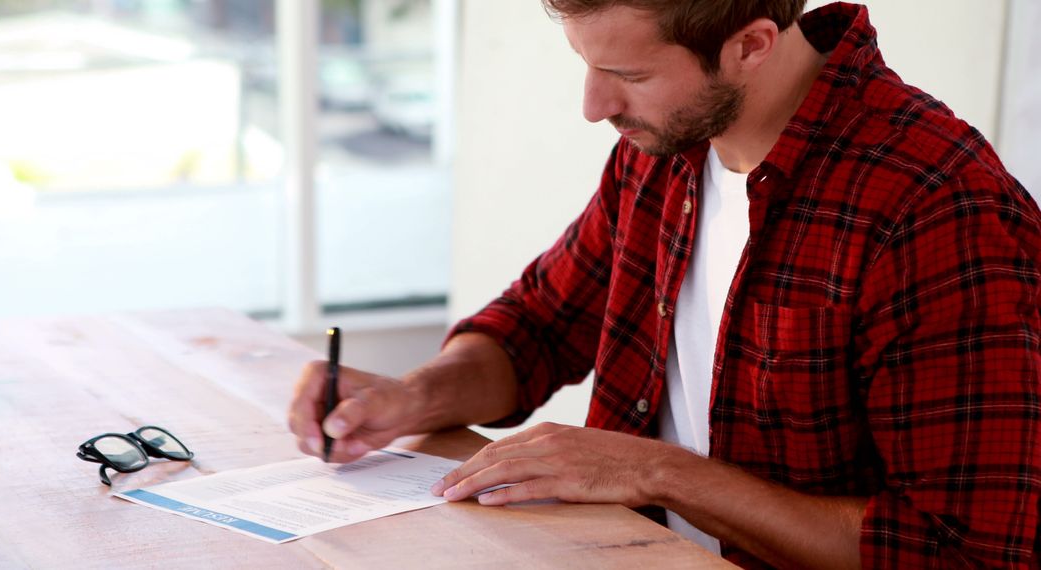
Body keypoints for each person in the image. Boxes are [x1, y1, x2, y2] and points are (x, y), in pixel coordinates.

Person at [288, 1, 1041, 567]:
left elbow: (962, 552)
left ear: (751, 45)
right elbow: (539, 329)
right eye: (587, 65)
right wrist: (413, 397)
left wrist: (655, 472)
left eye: (628, 75)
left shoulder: (939, 211)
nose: (594, 106)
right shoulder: (665, 148)